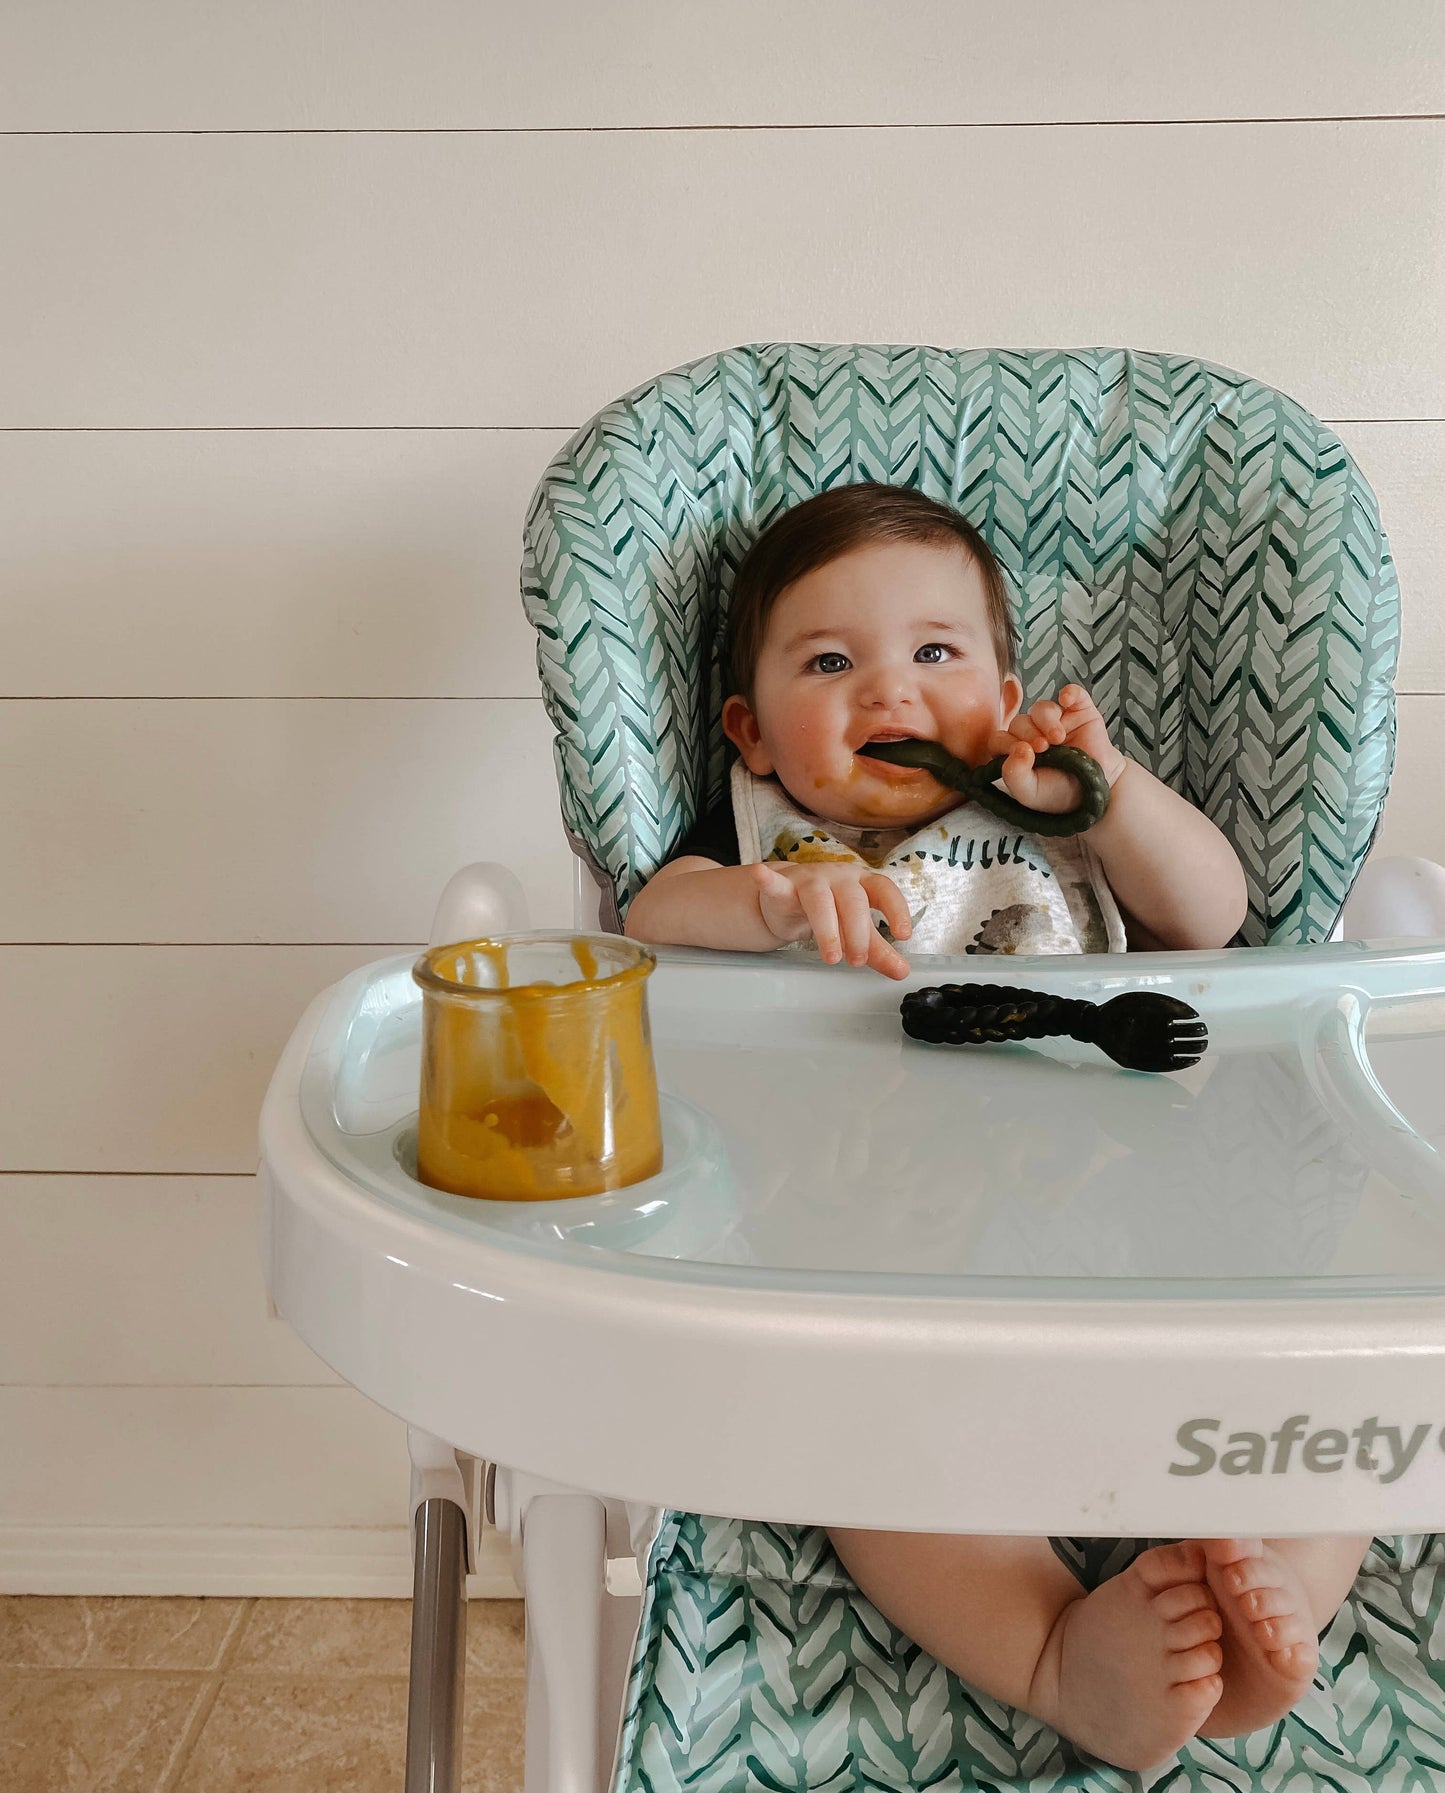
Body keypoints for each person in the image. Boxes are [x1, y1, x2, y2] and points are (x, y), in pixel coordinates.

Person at [623, 481, 1372, 1772]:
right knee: (865, 1462)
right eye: (827, 661)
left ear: (1005, 684)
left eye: (934, 653)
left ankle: (1274, 1598)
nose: (888, 694)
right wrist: (773, 905)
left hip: (1150, 1255)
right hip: (898, 1289)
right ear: (749, 733)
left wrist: (1111, 792)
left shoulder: (1058, 812)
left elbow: (1210, 911)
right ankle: (1058, 1660)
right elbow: (650, 917)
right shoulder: (765, 852)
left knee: (1324, 1406)